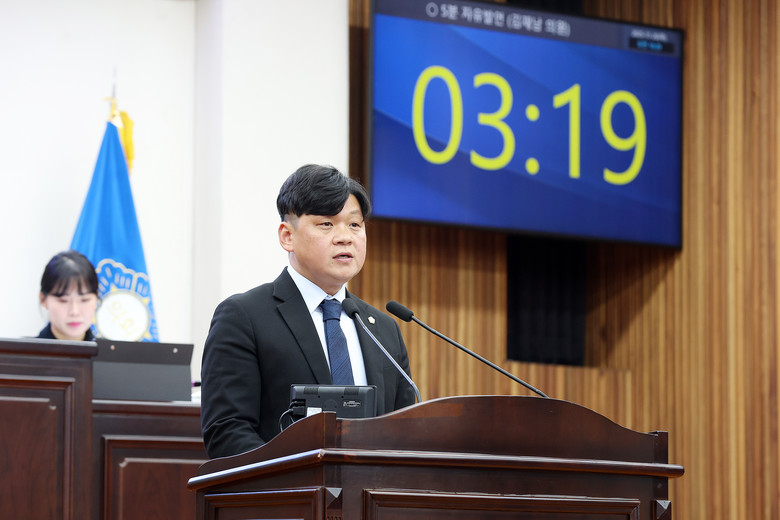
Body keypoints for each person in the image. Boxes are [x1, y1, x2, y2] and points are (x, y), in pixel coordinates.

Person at [200, 164, 416, 459]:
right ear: (287, 236)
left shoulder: (383, 330)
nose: (345, 237)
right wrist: (301, 476)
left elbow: (405, 433)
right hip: (287, 487)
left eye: (355, 225)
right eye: (326, 224)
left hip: (370, 489)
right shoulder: (244, 317)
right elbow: (227, 432)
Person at [37, 250, 99, 341]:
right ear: (43, 300)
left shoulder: (112, 350)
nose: (74, 312)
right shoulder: (22, 350)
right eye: (63, 300)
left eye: (84, 300)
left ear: (96, 298)